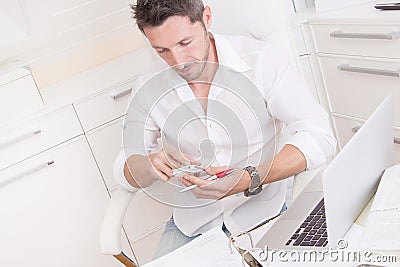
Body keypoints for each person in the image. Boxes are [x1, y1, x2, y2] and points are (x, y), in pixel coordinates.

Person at [113, 0, 336, 259]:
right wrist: (147, 165)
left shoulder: (262, 61)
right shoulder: (148, 87)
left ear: (206, 18)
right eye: (162, 50)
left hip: (266, 211)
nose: (178, 61)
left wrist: (250, 178)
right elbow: (124, 167)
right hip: (193, 224)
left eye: (185, 43)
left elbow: (319, 136)